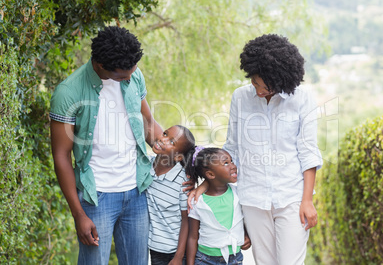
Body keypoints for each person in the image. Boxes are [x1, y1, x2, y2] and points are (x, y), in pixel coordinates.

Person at [190, 34, 323, 264]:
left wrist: (307, 200)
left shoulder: (302, 100)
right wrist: (204, 185)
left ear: (280, 80)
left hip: (291, 197)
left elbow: (308, 152)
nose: (259, 90)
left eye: (265, 86)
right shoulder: (241, 97)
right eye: (255, 82)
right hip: (252, 198)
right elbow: (232, 149)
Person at [50, 26, 163, 264]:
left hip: (136, 191)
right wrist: (78, 214)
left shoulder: (134, 75)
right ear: (100, 65)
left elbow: (148, 123)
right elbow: (61, 156)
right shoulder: (68, 93)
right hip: (96, 197)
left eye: (132, 72)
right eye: (123, 75)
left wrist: (176, 152)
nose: (130, 78)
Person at [186, 147, 251, 265]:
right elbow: (192, 237)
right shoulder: (197, 201)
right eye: (226, 163)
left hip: (234, 258)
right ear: (210, 174)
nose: (233, 165)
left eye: (231, 161)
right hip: (204, 259)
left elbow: (243, 218)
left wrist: (246, 234)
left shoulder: (238, 193)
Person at [146, 125, 196, 265]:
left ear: (179, 156)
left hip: (175, 250)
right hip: (155, 248)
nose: (163, 139)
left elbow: (186, 221)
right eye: (165, 133)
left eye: (172, 142)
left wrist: (179, 257)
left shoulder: (182, 182)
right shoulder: (146, 166)